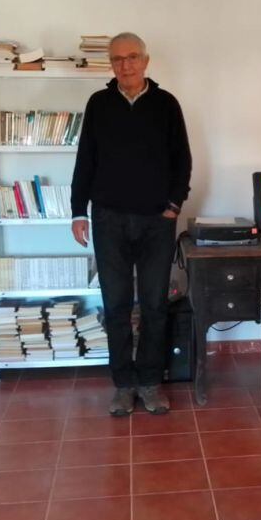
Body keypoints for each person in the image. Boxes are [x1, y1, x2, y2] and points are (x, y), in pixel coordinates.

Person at [71, 32, 192, 417]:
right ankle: (123, 385)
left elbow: (182, 159)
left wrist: (174, 205)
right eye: (118, 59)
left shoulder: (166, 104)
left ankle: (150, 383)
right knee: (117, 304)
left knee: (155, 305)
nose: (126, 65)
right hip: (108, 219)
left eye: (133, 57)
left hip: (157, 221)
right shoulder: (98, 104)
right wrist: (78, 211)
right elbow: (85, 160)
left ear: (146, 60)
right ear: (111, 64)